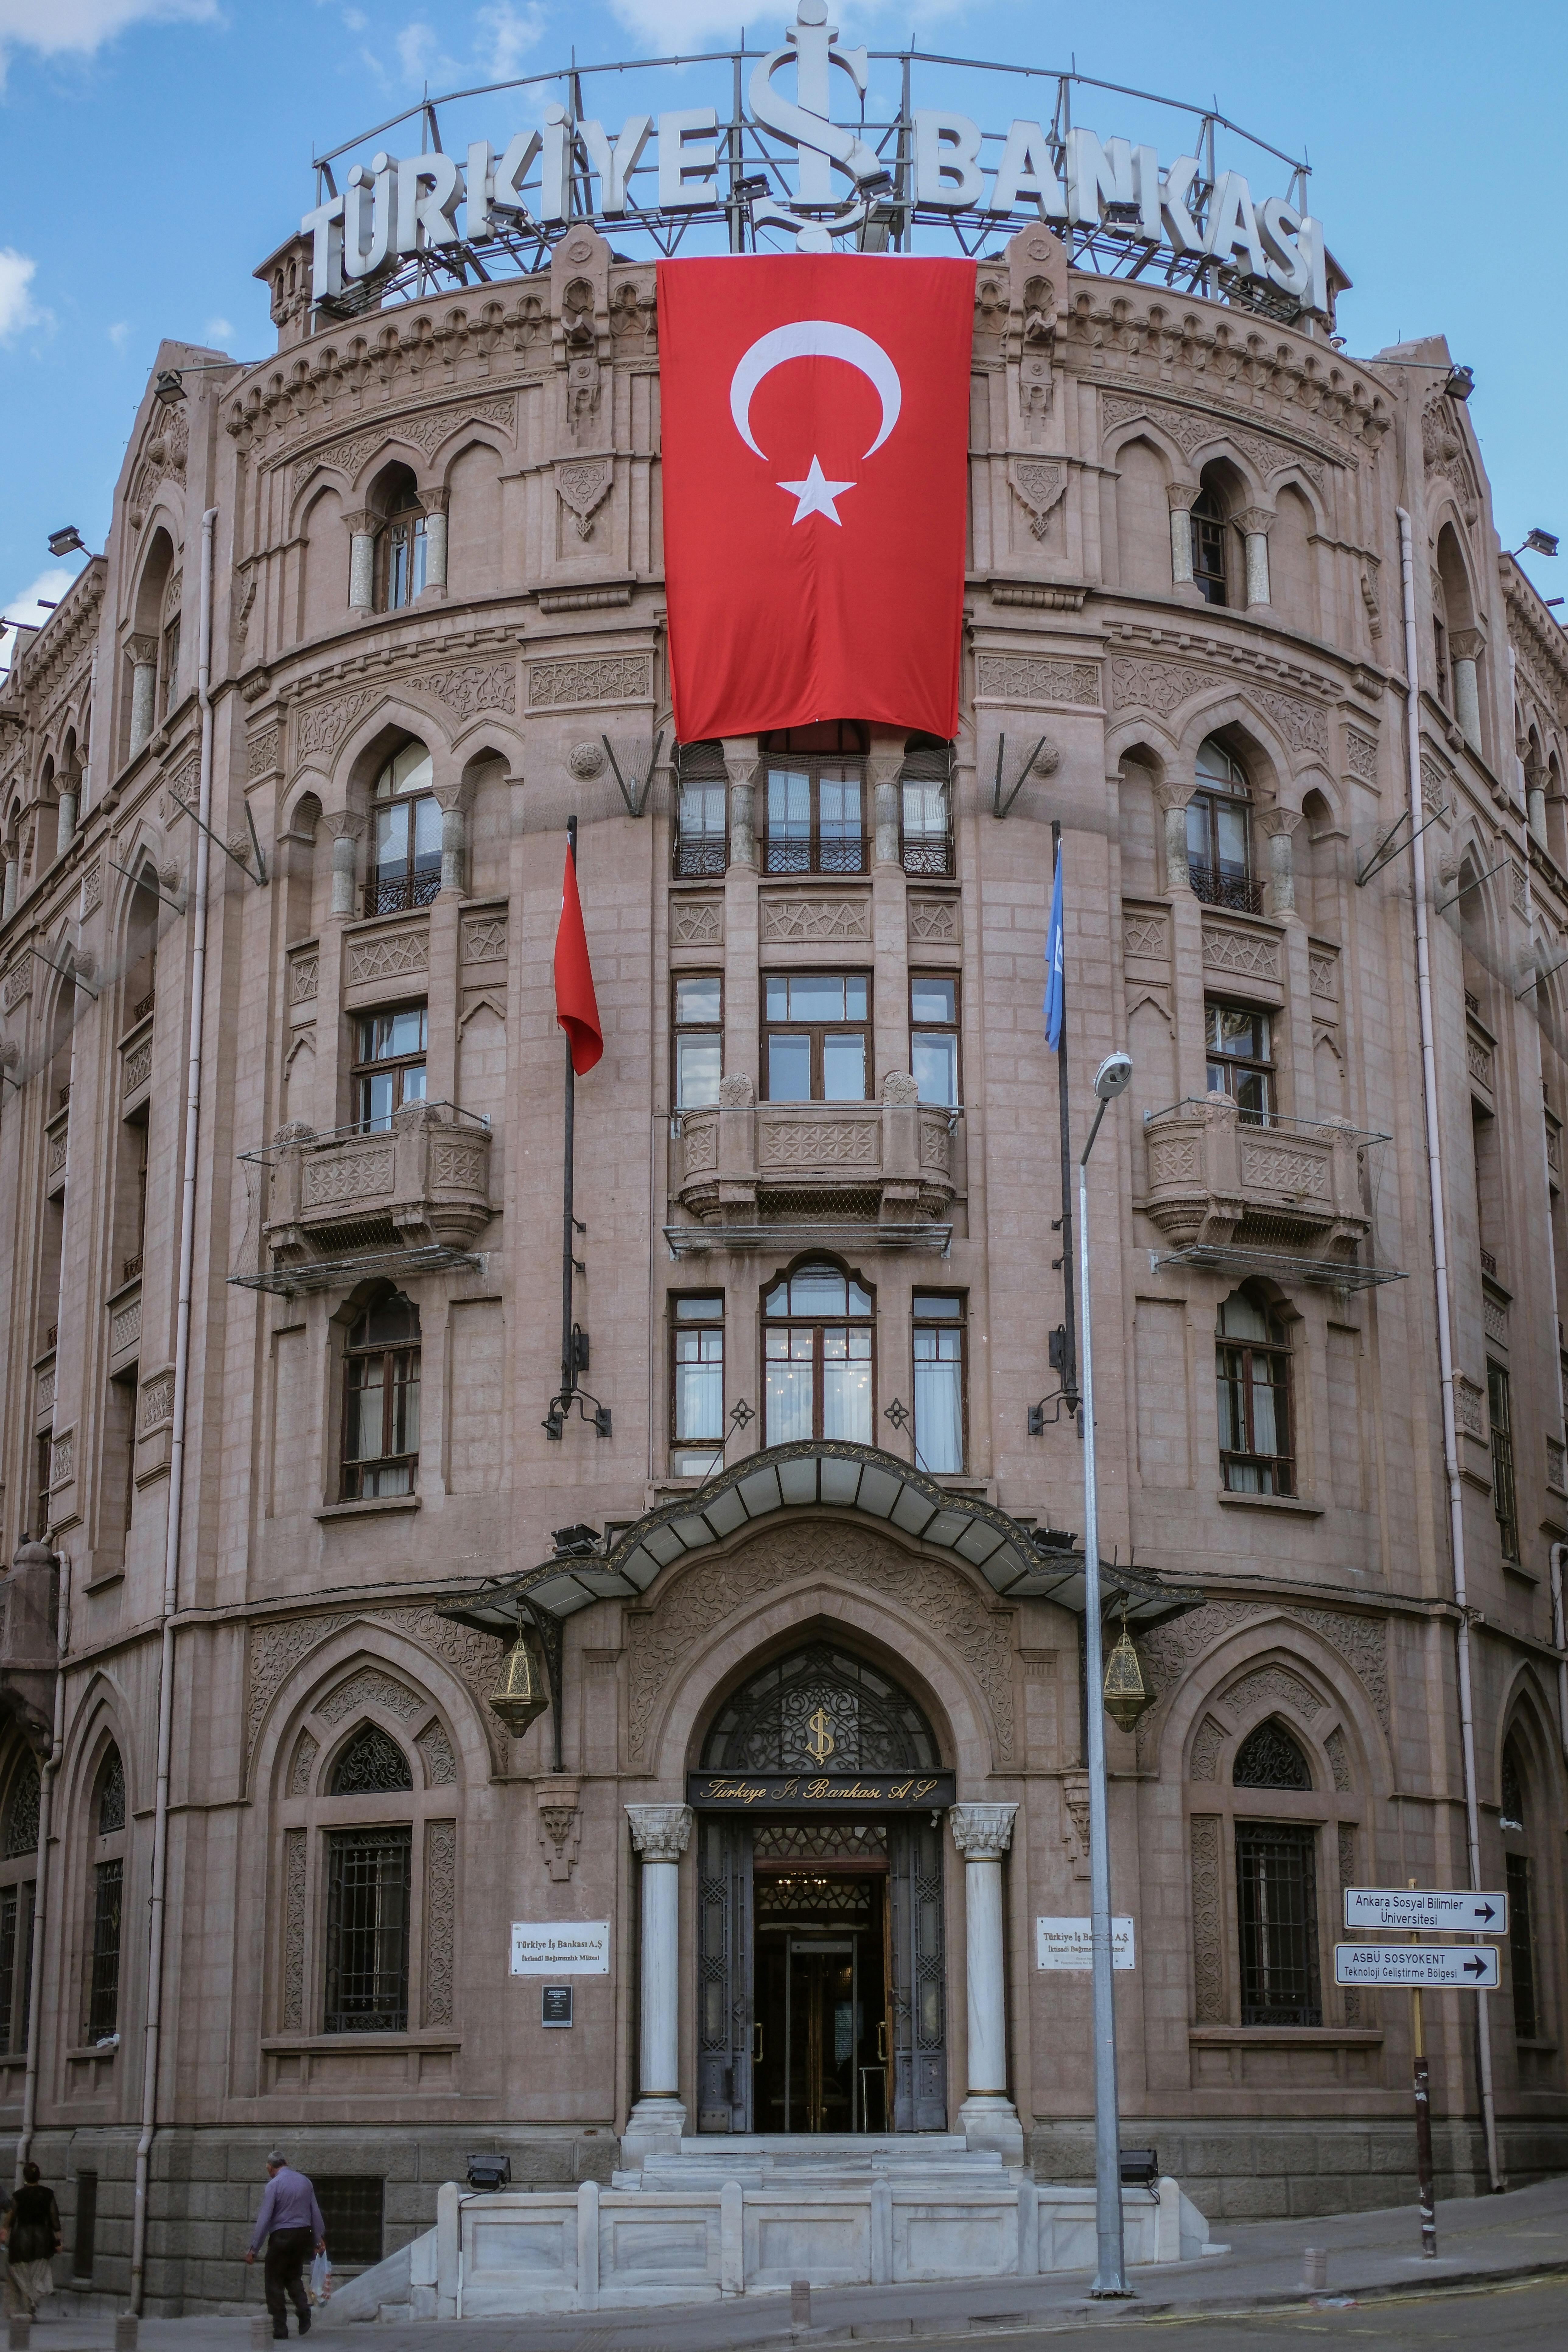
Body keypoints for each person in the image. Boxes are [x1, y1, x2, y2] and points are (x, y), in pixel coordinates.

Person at [245, 2152, 326, 2340]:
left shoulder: (274, 2185)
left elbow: (265, 2219)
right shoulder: (306, 2182)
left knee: (274, 2281)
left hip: (282, 2236)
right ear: (286, 2163)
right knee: (293, 2275)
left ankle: (280, 2329)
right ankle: (304, 2310)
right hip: (303, 2236)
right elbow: (315, 2212)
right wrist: (318, 2239)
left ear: (270, 2168)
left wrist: (254, 2249)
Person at [1, 2163, 61, 2320]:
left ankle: (29, 2302)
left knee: (22, 2274)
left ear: (25, 2178)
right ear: (39, 2177)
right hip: (42, 2240)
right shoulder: (48, 2195)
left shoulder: (18, 2196)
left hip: (21, 2240)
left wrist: (5, 2230)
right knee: (38, 2273)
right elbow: (54, 2218)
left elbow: (11, 2216)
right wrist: (59, 2240)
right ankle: (33, 2300)